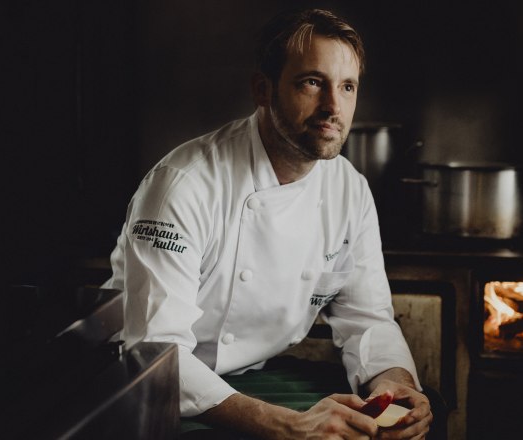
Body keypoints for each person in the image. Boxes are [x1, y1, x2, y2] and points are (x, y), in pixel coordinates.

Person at [102, 8, 433, 439]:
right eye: (312, 82)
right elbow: (155, 353)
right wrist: (286, 426)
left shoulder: (349, 190)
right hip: (151, 391)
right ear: (263, 89)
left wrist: (394, 383)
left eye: (347, 87)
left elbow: (367, 319)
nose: (333, 106)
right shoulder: (183, 186)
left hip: (255, 375)